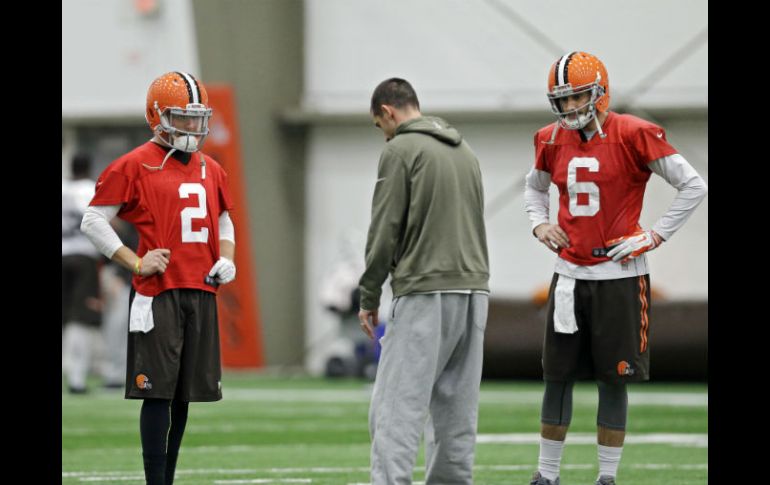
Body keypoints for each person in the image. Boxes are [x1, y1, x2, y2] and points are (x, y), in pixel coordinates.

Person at [523, 52, 708, 485]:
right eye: (562, 100)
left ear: (600, 92)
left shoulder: (633, 133)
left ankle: (607, 478)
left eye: (577, 97)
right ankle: (546, 476)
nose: (569, 108)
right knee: (557, 377)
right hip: (569, 274)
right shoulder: (548, 139)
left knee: (614, 379)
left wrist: (655, 234)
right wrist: (540, 223)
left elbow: (694, 185)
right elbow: (534, 190)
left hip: (620, 278)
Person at [80, 71, 237, 485]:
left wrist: (229, 259)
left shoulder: (211, 168)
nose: (192, 126)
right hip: (158, 292)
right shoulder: (134, 163)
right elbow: (94, 220)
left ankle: (168, 477)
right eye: (182, 117)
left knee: (185, 394)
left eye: (196, 117)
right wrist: (134, 261)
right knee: (157, 392)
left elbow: (224, 219)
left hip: (200, 288)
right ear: (158, 116)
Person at [358, 78, 490, 485]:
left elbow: (385, 228)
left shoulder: (400, 151)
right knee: (456, 412)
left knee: (395, 408)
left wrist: (368, 293)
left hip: (423, 291)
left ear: (387, 113)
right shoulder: (464, 151)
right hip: (474, 291)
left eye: (380, 127)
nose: (384, 136)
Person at [62, 153, 102, 394]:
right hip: (84, 257)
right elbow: (103, 223)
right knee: (80, 318)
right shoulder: (90, 189)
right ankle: (76, 378)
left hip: (63, 254)